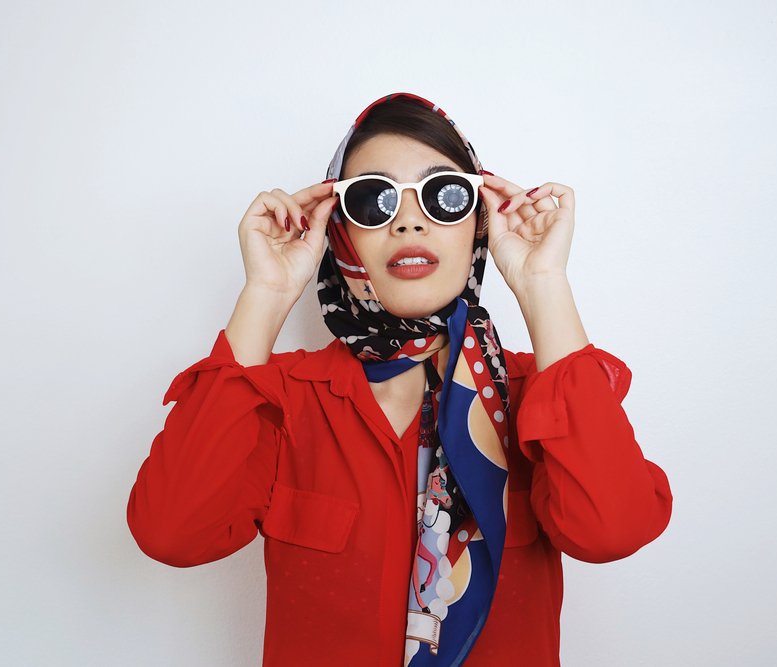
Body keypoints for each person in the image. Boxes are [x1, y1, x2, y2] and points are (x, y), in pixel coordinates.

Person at [127, 92, 673, 667]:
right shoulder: (284, 400)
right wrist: (266, 292)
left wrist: (543, 284)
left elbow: (611, 531)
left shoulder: (539, 397)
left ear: (480, 221)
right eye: (373, 200)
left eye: (445, 196)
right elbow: (173, 534)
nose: (410, 221)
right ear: (340, 232)